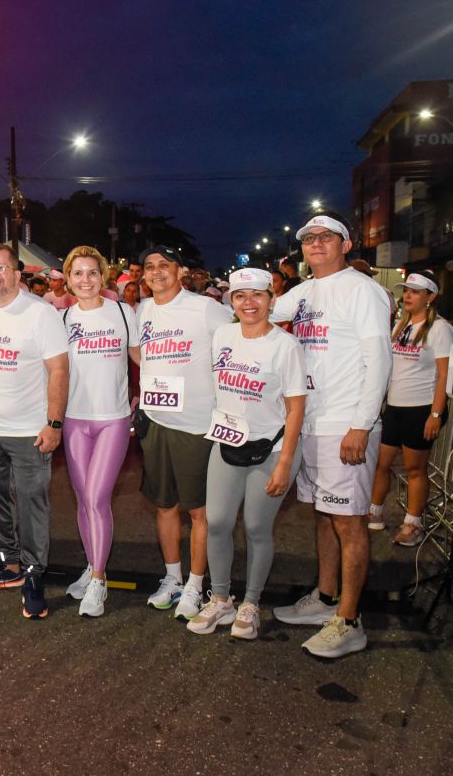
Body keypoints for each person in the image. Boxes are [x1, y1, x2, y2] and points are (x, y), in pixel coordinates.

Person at [270, 212, 392, 659]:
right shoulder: (303, 293)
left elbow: (379, 360)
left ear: (346, 244)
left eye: (327, 236)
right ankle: (324, 598)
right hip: (310, 423)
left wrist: (362, 424)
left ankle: (350, 620)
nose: (316, 243)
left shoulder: (363, 290)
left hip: (346, 424)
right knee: (324, 514)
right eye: (309, 238)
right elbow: (255, 308)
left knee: (350, 521)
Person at [186, 268, 305, 640]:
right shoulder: (223, 335)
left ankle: (251, 603)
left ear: (271, 299)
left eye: (257, 295)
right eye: (240, 296)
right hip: (227, 443)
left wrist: (285, 462)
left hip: (271, 447)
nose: (249, 302)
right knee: (218, 522)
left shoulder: (285, 345)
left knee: (256, 527)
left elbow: (296, 408)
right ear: (231, 301)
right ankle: (221, 598)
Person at [0, 243, 69, 620]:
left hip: (30, 430)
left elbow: (59, 370)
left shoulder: (40, 314)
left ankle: (33, 574)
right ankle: (8, 565)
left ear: (16, 273)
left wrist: (54, 423)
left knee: (31, 504)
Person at [135, 245, 230, 621]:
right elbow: (139, 352)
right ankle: (173, 578)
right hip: (155, 422)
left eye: (164, 265)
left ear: (180, 272)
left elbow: (233, 349)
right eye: (149, 266)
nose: (156, 271)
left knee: (199, 511)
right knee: (164, 505)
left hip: (196, 425)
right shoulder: (143, 309)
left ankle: (196, 583)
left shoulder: (205, 307)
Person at [59, 246, 139, 617]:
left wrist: (154, 394)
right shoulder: (61, 318)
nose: (85, 279)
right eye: (78, 273)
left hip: (113, 419)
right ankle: (92, 566)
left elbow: (142, 359)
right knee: (82, 498)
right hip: (74, 419)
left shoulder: (123, 313)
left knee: (96, 497)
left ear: (103, 276)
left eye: (92, 272)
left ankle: (98, 580)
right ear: (68, 278)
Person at [369, 272, 453, 547]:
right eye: (406, 290)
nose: (407, 295)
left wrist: (436, 415)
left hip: (421, 408)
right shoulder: (400, 325)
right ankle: (374, 512)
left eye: (415, 291)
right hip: (394, 407)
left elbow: (444, 375)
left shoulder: (440, 329)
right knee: (381, 464)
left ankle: (412, 524)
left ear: (430, 297)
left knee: (414, 469)